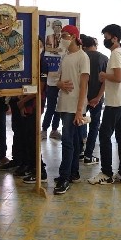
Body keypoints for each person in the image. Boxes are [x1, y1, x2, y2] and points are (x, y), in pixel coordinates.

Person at [88, 24, 121, 186]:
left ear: (115, 38)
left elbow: (118, 78)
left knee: (104, 135)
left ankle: (106, 173)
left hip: (115, 103)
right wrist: (98, 96)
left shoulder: (115, 54)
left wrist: (103, 75)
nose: (105, 40)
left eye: (106, 37)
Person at [53, 25, 89, 195]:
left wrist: (79, 110)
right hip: (64, 103)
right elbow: (58, 79)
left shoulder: (83, 57)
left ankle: (64, 177)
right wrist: (60, 84)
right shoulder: (65, 56)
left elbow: (83, 86)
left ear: (74, 37)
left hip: (74, 106)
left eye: (65, 35)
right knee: (73, 140)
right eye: (61, 35)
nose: (62, 38)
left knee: (67, 140)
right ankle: (74, 172)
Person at [22, 36, 49, 183]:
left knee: (33, 137)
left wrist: (22, 101)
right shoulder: (27, 63)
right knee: (27, 136)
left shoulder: (43, 63)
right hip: (25, 103)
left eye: (39, 45)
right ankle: (32, 166)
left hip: (35, 104)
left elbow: (39, 88)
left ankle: (40, 171)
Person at [81, 35, 107, 165]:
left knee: (79, 122)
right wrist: (98, 97)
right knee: (94, 126)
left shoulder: (81, 57)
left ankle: (79, 151)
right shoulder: (104, 58)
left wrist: (84, 97)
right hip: (97, 98)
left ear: (83, 46)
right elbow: (106, 81)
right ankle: (88, 155)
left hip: (81, 97)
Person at [0, 3, 24, 71]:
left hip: (16, 71)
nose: (2, 22)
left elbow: (20, 56)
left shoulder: (18, 37)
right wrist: (10, 53)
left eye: (6, 18)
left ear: (12, 20)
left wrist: (8, 64)